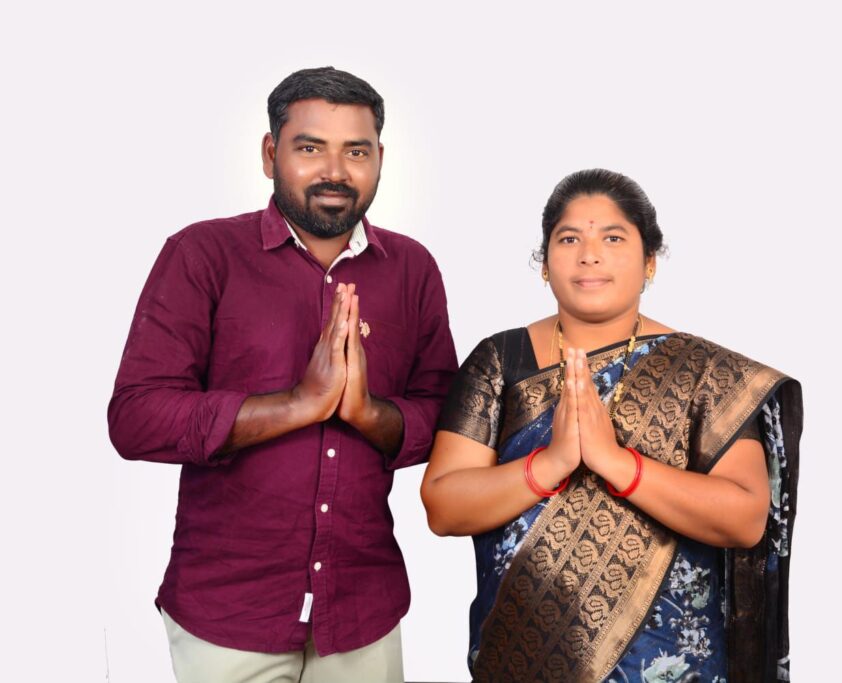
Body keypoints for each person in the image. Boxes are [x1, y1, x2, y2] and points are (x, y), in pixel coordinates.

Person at [108, 67, 457, 683]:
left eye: (356, 151)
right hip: (231, 611)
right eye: (310, 147)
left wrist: (368, 414)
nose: (335, 171)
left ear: (381, 159)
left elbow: (446, 418)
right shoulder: (203, 254)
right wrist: (296, 404)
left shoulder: (412, 268)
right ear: (271, 154)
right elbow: (136, 417)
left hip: (362, 608)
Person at [422, 169, 802, 683]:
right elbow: (444, 506)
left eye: (613, 238)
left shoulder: (705, 374)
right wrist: (550, 464)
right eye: (569, 239)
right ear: (544, 263)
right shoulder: (501, 361)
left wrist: (617, 463)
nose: (589, 255)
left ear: (650, 262)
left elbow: (745, 517)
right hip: (521, 658)